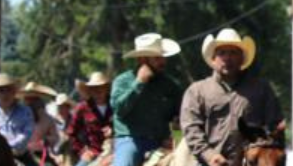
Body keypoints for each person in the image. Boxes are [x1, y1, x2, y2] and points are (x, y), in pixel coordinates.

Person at [180, 28, 282, 166]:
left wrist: (260, 148)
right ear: (213, 58)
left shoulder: (261, 89)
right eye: (222, 53)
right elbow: (191, 128)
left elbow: (274, 126)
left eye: (233, 52)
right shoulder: (197, 92)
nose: (227, 58)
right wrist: (209, 155)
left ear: (242, 58)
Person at [111, 33, 184, 166]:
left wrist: (175, 136)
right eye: (157, 58)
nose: (162, 61)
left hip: (160, 141)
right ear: (142, 60)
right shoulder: (123, 81)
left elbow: (180, 115)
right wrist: (139, 83)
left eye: (162, 57)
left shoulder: (170, 85)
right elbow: (119, 110)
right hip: (130, 140)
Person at [0, 73, 37, 165]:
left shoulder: (25, 111)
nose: (5, 94)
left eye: (8, 90)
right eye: (1, 91)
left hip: (19, 155)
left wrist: (8, 146)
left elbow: (27, 133)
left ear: (14, 92)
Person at [69, 72, 113, 166]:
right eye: (94, 89)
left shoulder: (115, 104)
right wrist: (82, 151)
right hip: (94, 152)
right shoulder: (83, 108)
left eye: (101, 87)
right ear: (90, 91)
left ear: (106, 88)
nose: (98, 91)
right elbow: (71, 132)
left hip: (116, 149)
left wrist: (113, 130)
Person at [24, 82, 62, 166]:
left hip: (40, 153)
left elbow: (56, 137)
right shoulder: (19, 116)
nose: (30, 102)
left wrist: (47, 140)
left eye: (33, 99)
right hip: (21, 153)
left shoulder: (47, 119)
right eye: (28, 99)